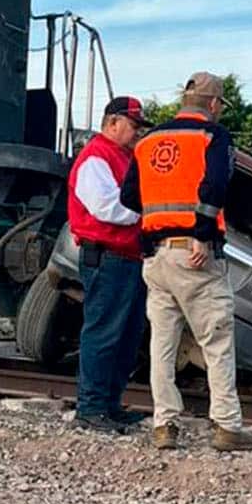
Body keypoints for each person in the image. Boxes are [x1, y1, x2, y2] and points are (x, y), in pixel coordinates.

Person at [121, 71, 252, 452]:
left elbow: (129, 195)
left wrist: (160, 211)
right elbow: (215, 185)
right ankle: (228, 426)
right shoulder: (213, 137)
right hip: (194, 254)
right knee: (215, 339)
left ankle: (164, 425)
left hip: (155, 257)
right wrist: (199, 229)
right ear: (214, 105)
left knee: (162, 344)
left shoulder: (148, 142)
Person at [68, 96, 152, 434]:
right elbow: (107, 208)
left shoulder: (119, 156)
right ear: (113, 122)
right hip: (108, 254)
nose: (136, 133)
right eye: (133, 126)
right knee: (105, 332)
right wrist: (149, 215)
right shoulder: (97, 156)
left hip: (124, 256)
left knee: (125, 335)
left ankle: (107, 405)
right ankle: (91, 407)